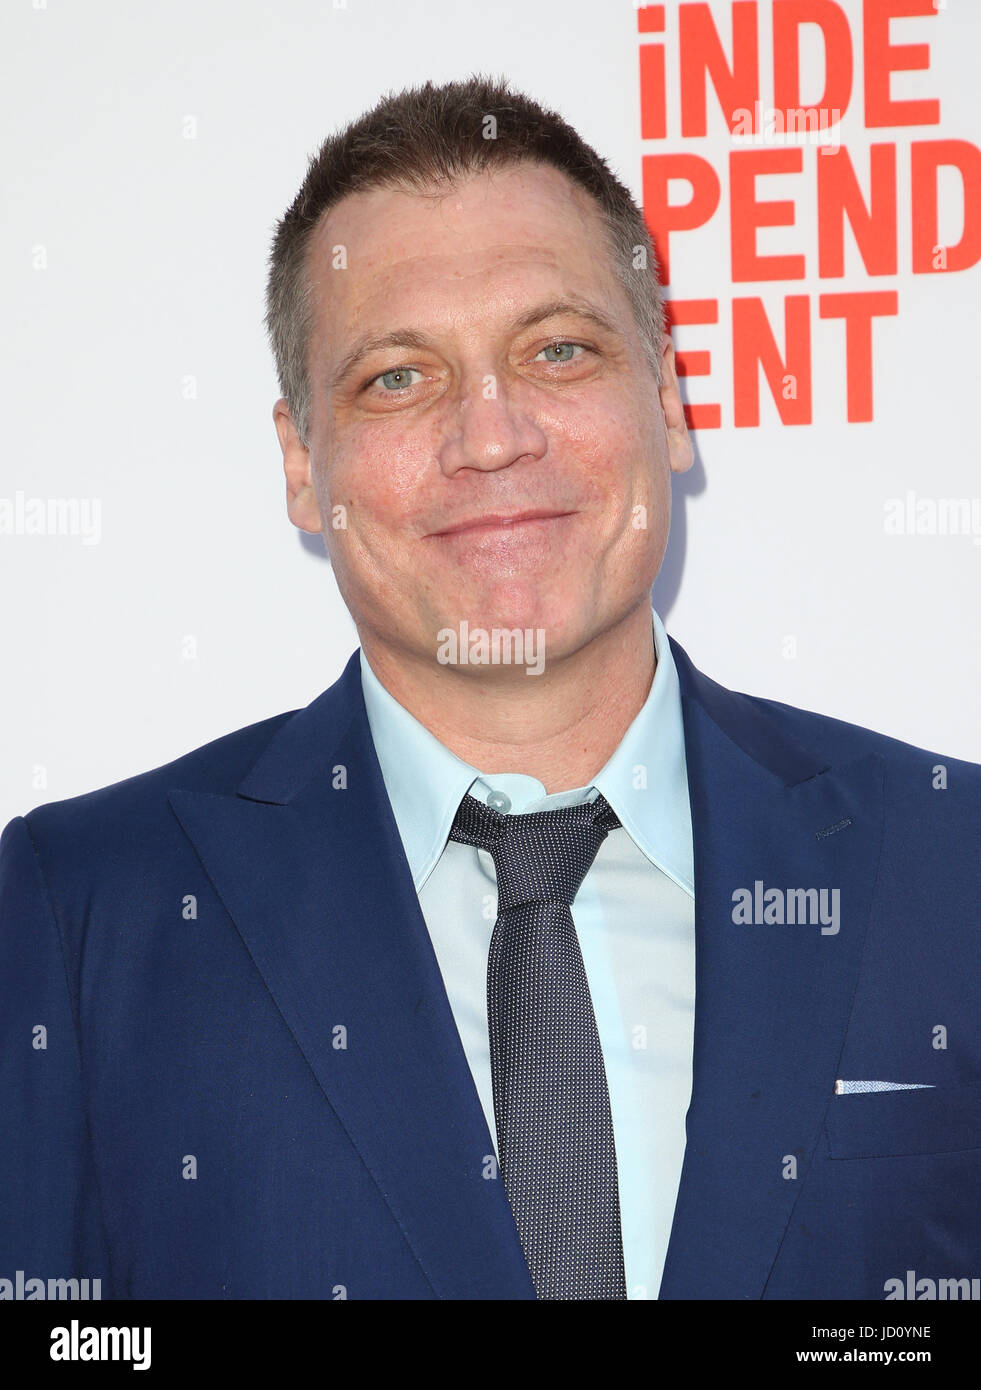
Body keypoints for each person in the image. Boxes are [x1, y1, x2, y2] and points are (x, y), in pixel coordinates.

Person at [2, 75, 980, 1303]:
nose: (493, 434)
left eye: (557, 350)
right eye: (398, 377)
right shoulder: (82, 911)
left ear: (668, 400)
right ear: (302, 466)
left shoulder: (953, 860)